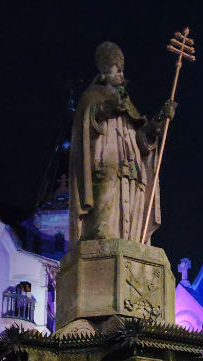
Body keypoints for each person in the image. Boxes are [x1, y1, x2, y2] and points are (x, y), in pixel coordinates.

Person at [69, 41, 176, 243]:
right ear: (103, 74)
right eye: (116, 70)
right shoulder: (92, 97)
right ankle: (99, 240)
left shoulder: (127, 103)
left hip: (131, 167)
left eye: (122, 71)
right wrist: (108, 107)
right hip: (105, 163)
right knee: (106, 184)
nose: (121, 75)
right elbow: (87, 125)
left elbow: (141, 140)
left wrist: (160, 119)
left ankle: (131, 243)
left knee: (135, 197)